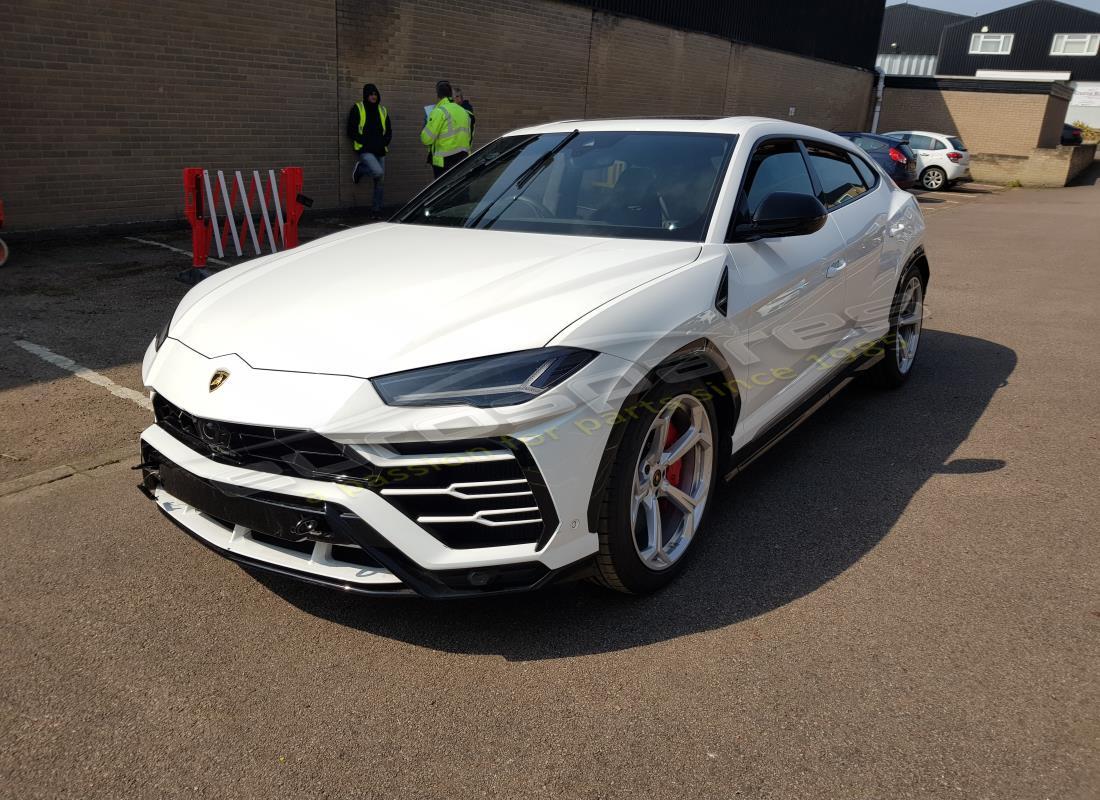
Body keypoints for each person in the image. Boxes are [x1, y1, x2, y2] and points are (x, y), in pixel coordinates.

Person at [346, 82, 392, 217]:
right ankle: (360, 169)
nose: (373, 96)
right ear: (366, 95)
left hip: (380, 150)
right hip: (365, 149)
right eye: (371, 94)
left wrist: (385, 141)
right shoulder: (357, 108)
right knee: (378, 172)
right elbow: (350, 130)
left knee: (380, 181)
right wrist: (364, 141)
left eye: (375, 94)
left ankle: (376, 210)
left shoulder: (383, 110)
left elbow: (389, 130)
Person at [420, 81, 472, 179]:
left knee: (445, 193)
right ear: (450, 94)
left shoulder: (438, 111)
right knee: (461, 190)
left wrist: (426, 123)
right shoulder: (463, 111)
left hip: (444, 162)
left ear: (438, 95)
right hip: (463, 158)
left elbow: (426, 139)